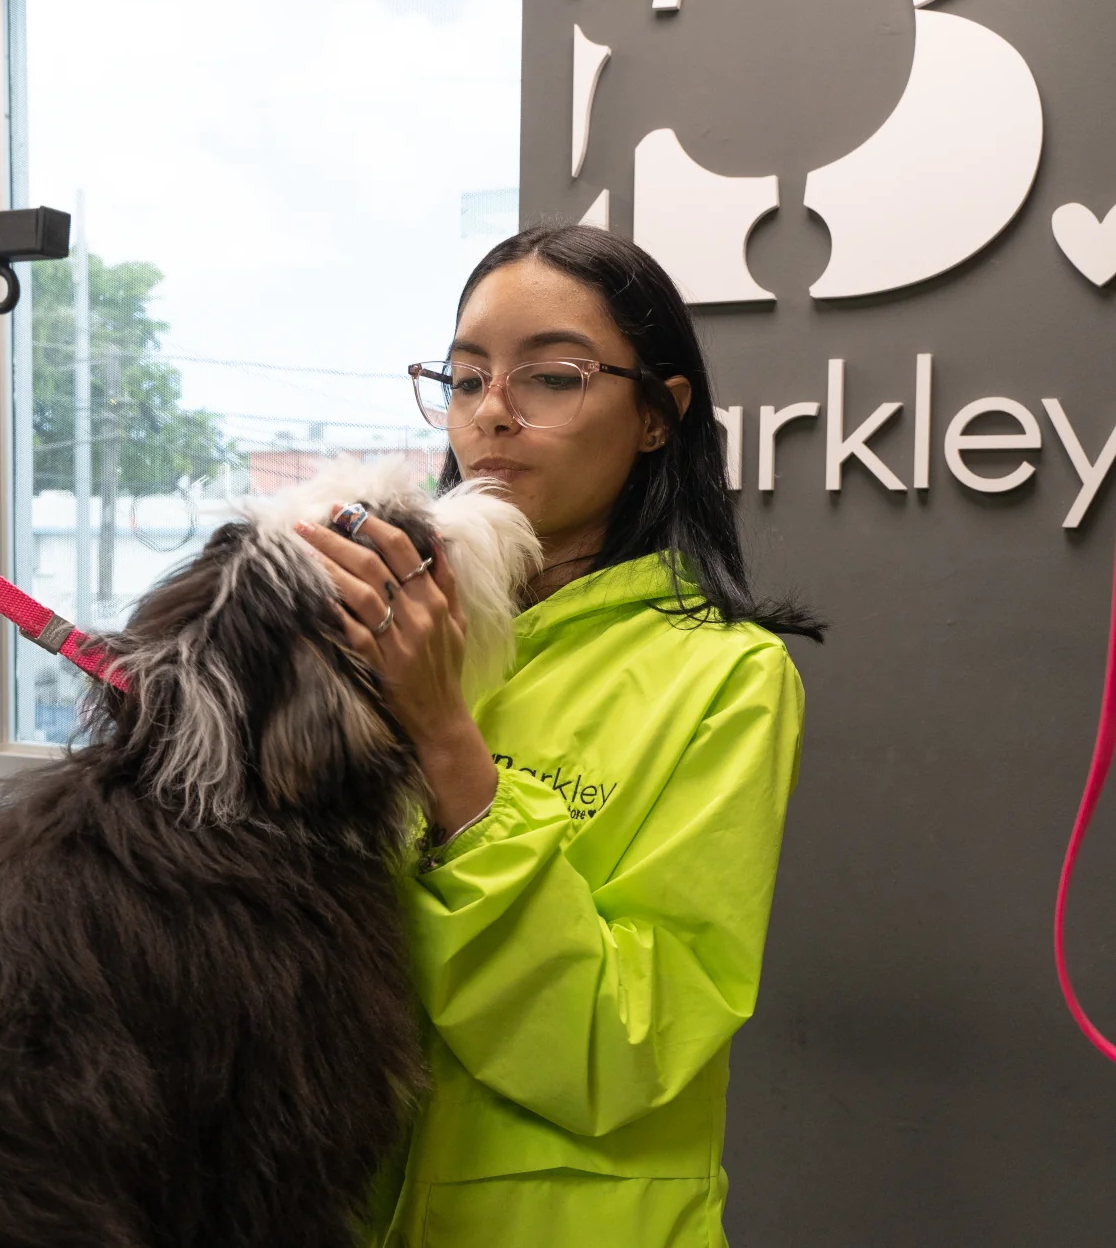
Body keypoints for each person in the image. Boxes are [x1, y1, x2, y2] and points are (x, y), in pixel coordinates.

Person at [293, 224, 823, 1248]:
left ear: (658, 417)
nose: (491, 414)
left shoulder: (726, 680)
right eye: (466, 376)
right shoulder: (391, 629)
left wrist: (446, 738)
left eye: (553, 378)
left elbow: (626, 1049)